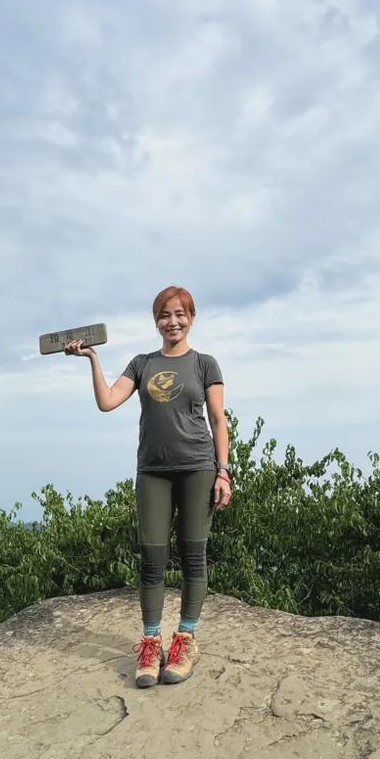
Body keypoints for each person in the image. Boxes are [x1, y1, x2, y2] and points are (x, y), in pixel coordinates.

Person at [64, 286, 231, 688]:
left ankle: (185, 638)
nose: (172, 321)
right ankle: (151, 642)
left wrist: (223, 472)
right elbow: (107, 402)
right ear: (155, 321)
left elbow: (217, 419)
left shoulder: (205, 364)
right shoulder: (142, 363)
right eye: (164, 315)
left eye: (180, 314)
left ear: (191, 317)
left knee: (194, 555)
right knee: (152, 559)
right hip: (152, 470)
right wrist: (91, 358)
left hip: (198, 468)